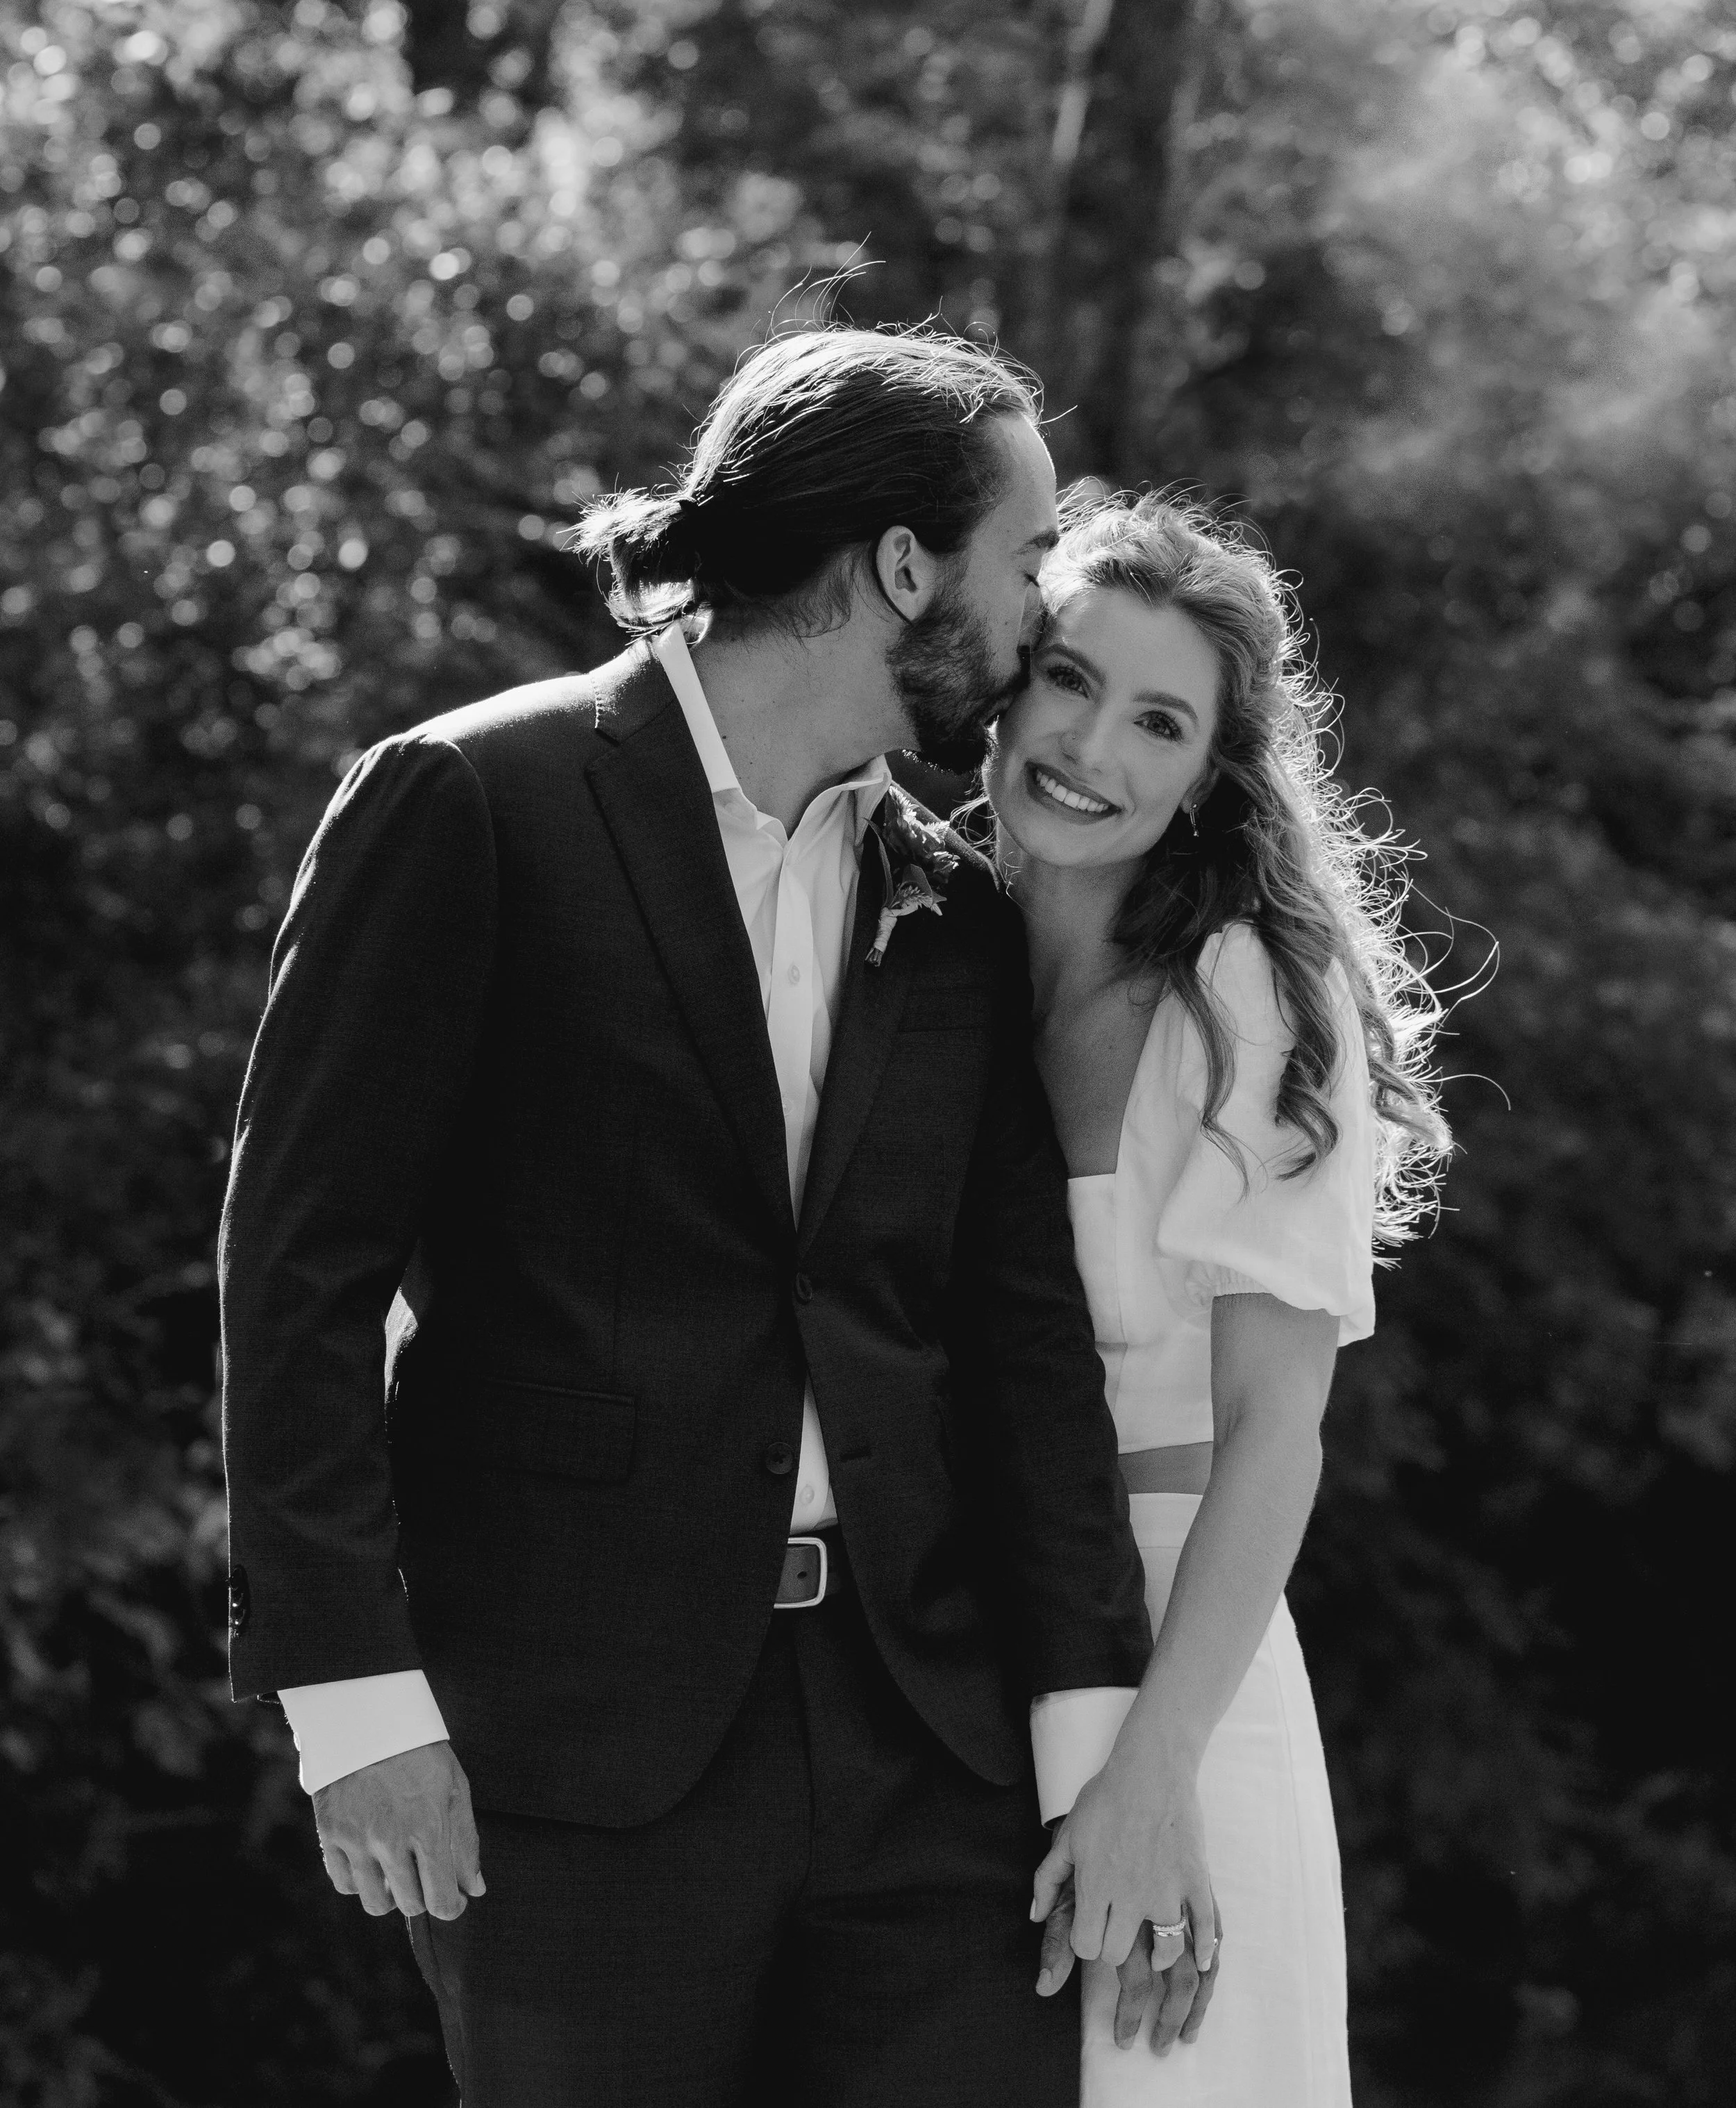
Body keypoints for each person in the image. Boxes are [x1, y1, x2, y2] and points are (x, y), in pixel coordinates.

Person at [217, 327, 1154, 2108]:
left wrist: (1088, 1742)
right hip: (572, 1759)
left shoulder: (953, 907)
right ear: (898, 568)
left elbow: (1016, 1342)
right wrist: (352, 1700)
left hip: (931, 1757)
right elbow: (299, 1270)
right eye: (1026, 560)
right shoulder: (471, 802)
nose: (1046, 617)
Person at [987, 491, 1450, 2102]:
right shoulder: (918, 953)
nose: (1090, 746)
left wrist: (1146, 1776)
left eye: (1157, 721)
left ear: (1205, 776)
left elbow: (1273, 1434)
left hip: (1180, 1660)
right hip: (943, 1653)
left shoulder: (1248, 994)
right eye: (1065, 679)